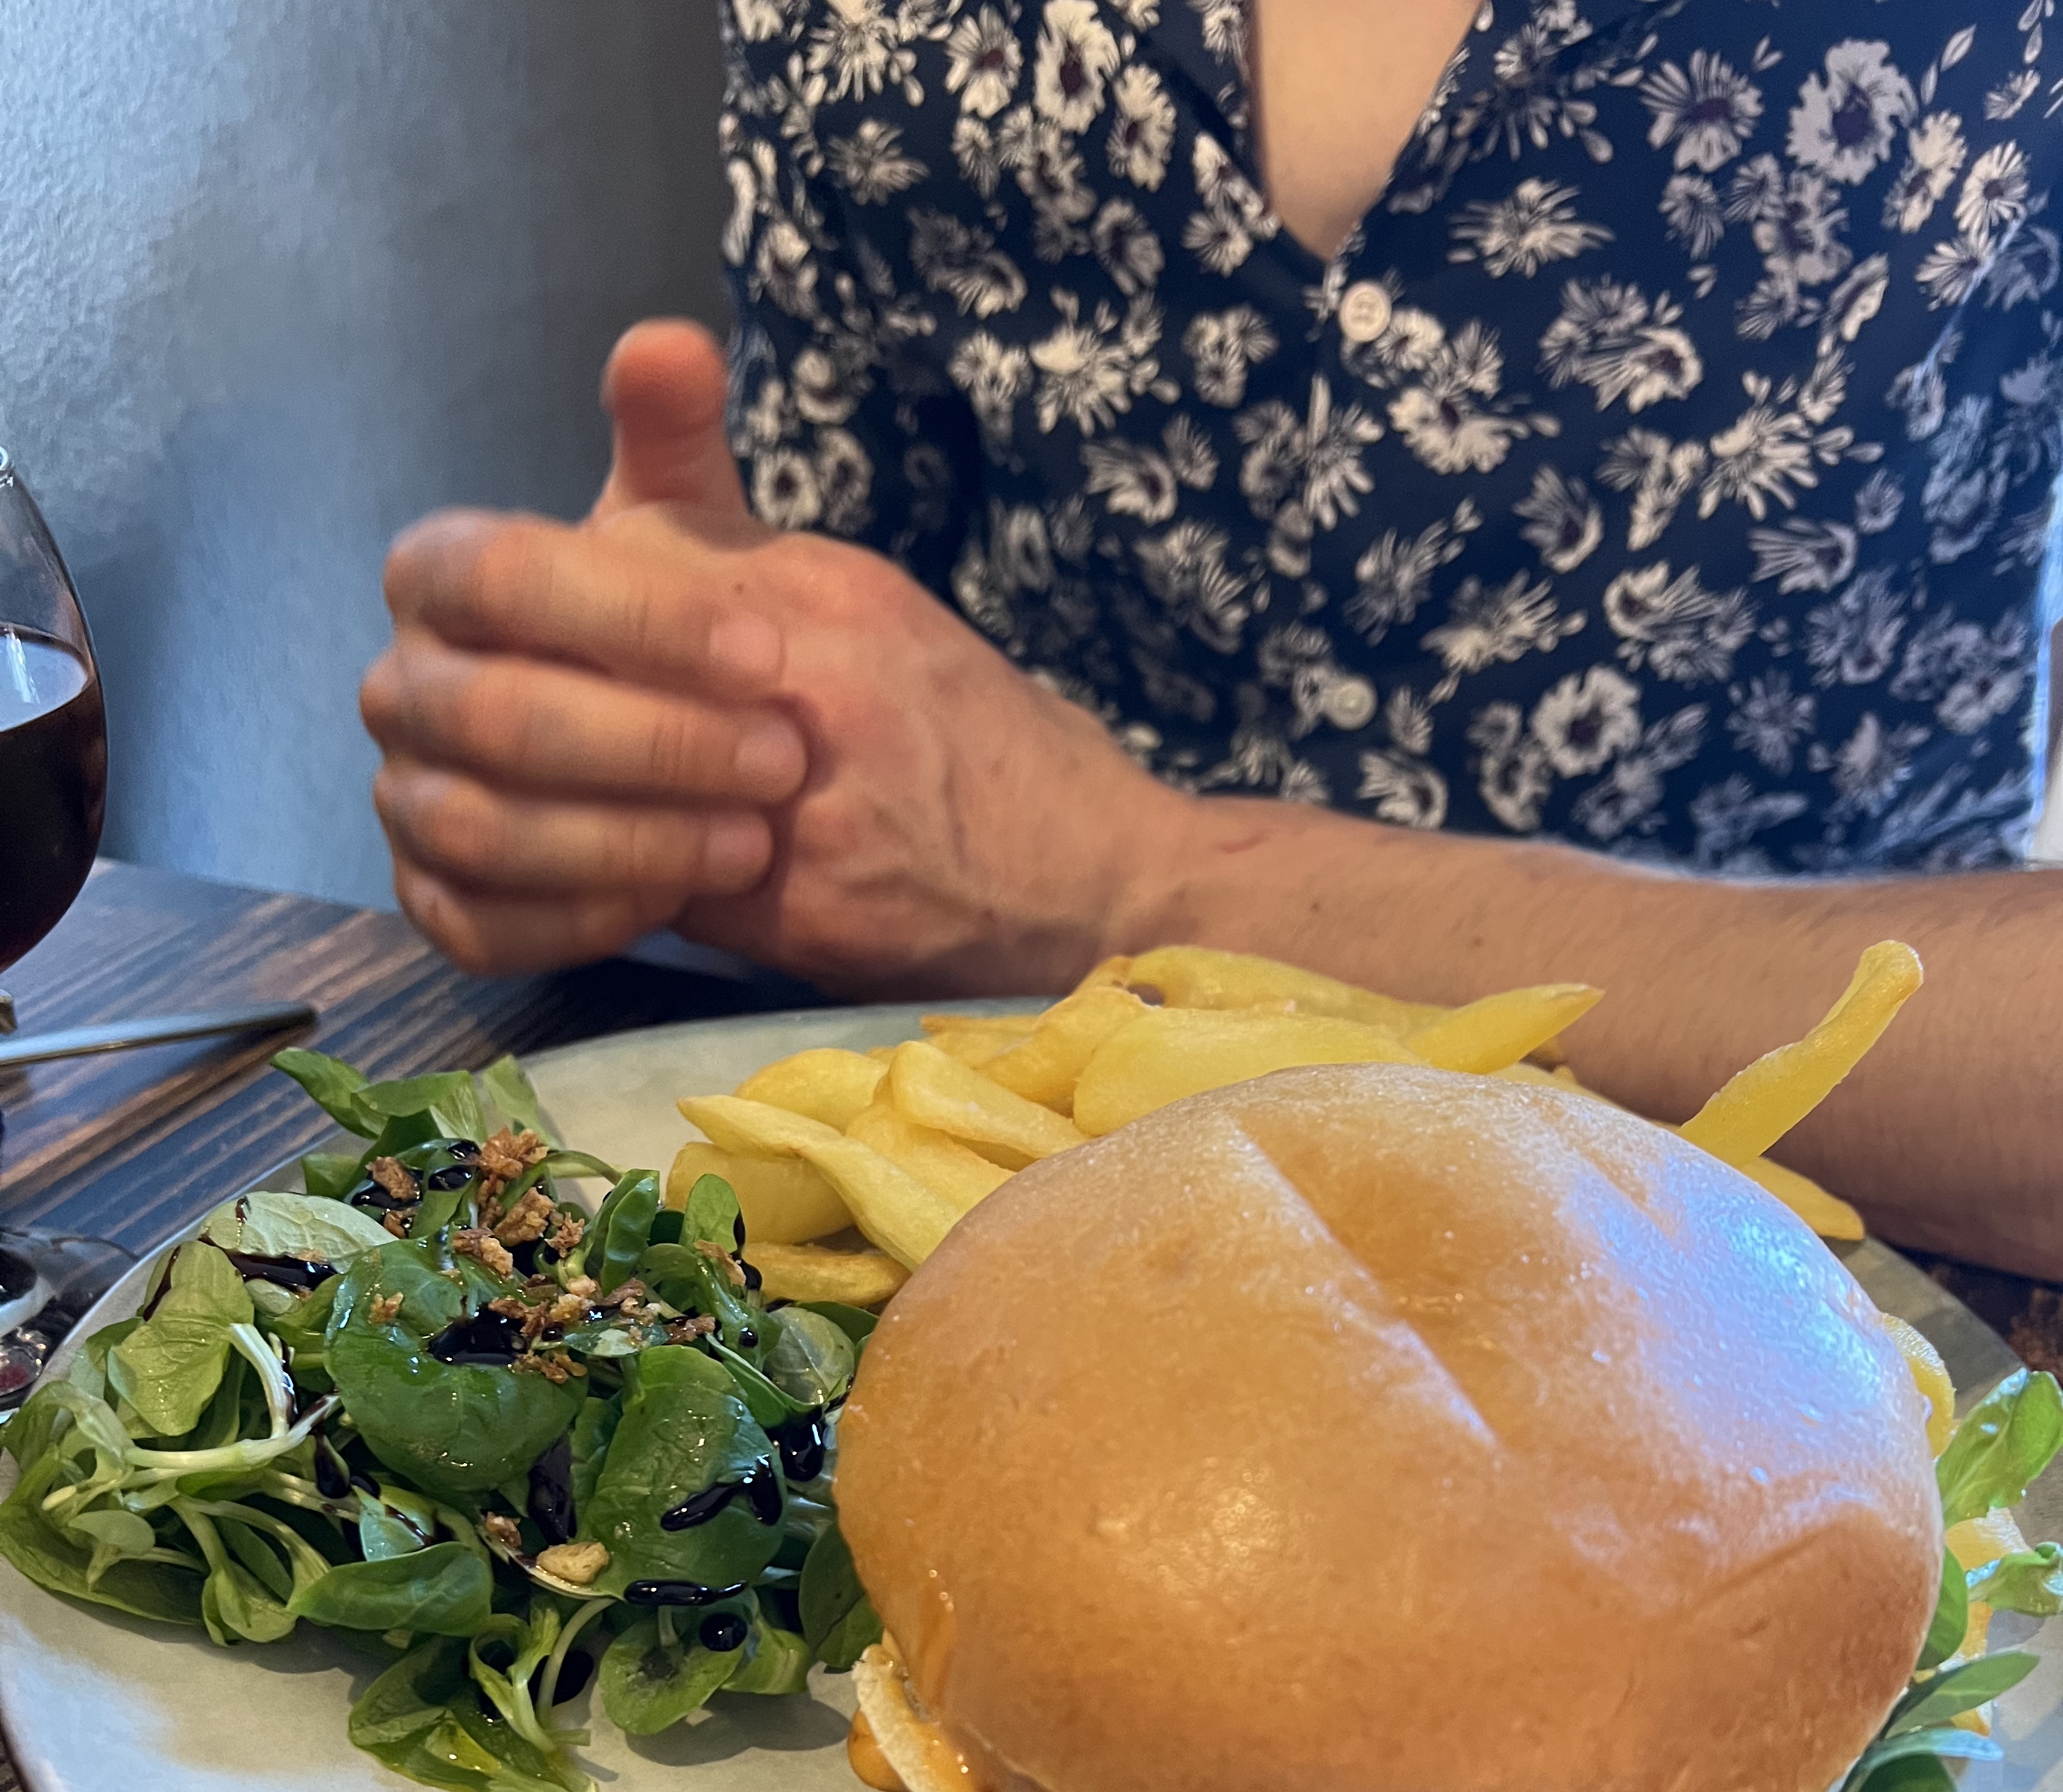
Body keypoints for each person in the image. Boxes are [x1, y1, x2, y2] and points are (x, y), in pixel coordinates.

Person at [362, 0, 2063, 1278]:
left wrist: (1136, 882)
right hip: (974, 1265)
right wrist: (647, 756)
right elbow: (839, 664)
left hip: (1848, 1284)